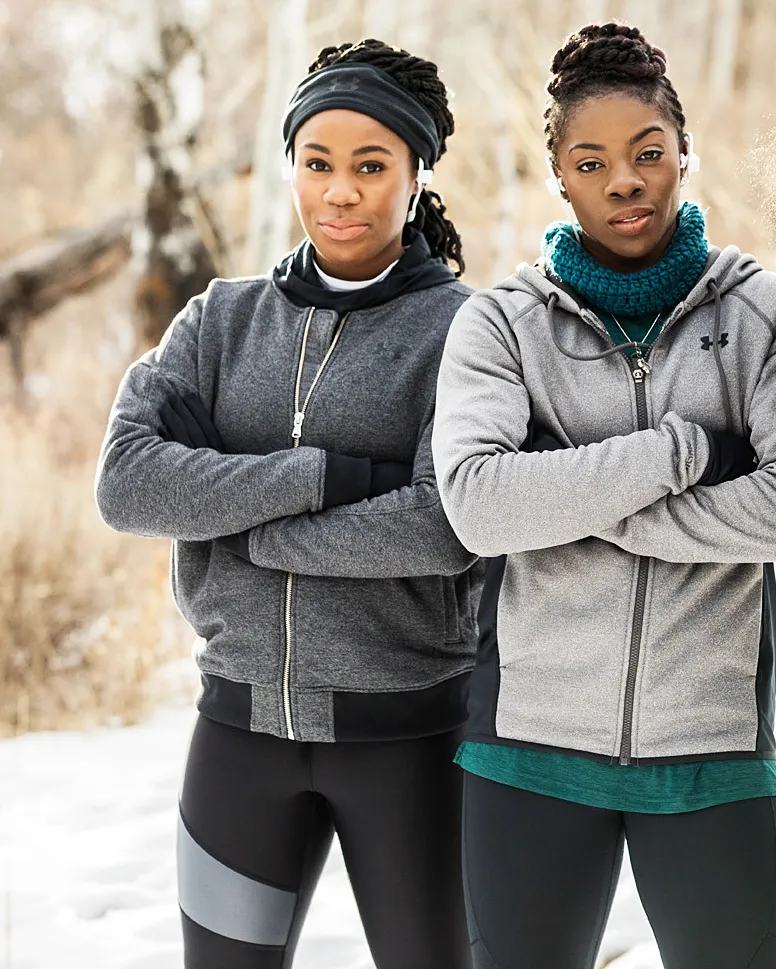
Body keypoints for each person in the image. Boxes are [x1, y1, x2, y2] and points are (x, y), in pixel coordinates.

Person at [433, 22, 776, 969]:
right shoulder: (502, 325)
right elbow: (481, 507)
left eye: (649, 153)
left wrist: (570, 494)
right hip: (528, 750)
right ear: (559, 178)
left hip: (713, 749)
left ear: (684, 154)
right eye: (593, 160)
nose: (625, 180)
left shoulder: (767, 314)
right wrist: (687, 449)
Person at [95, 39, 478, 969]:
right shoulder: (218, 322)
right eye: (318, 164)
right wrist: (325, 476)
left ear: (417, 173)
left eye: (371, 165)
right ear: (292, 169)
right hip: (237, 738)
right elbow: (128, 483)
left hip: (411, 740)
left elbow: (444, 525)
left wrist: (235, 516)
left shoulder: (466, 329)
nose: (340, 191)